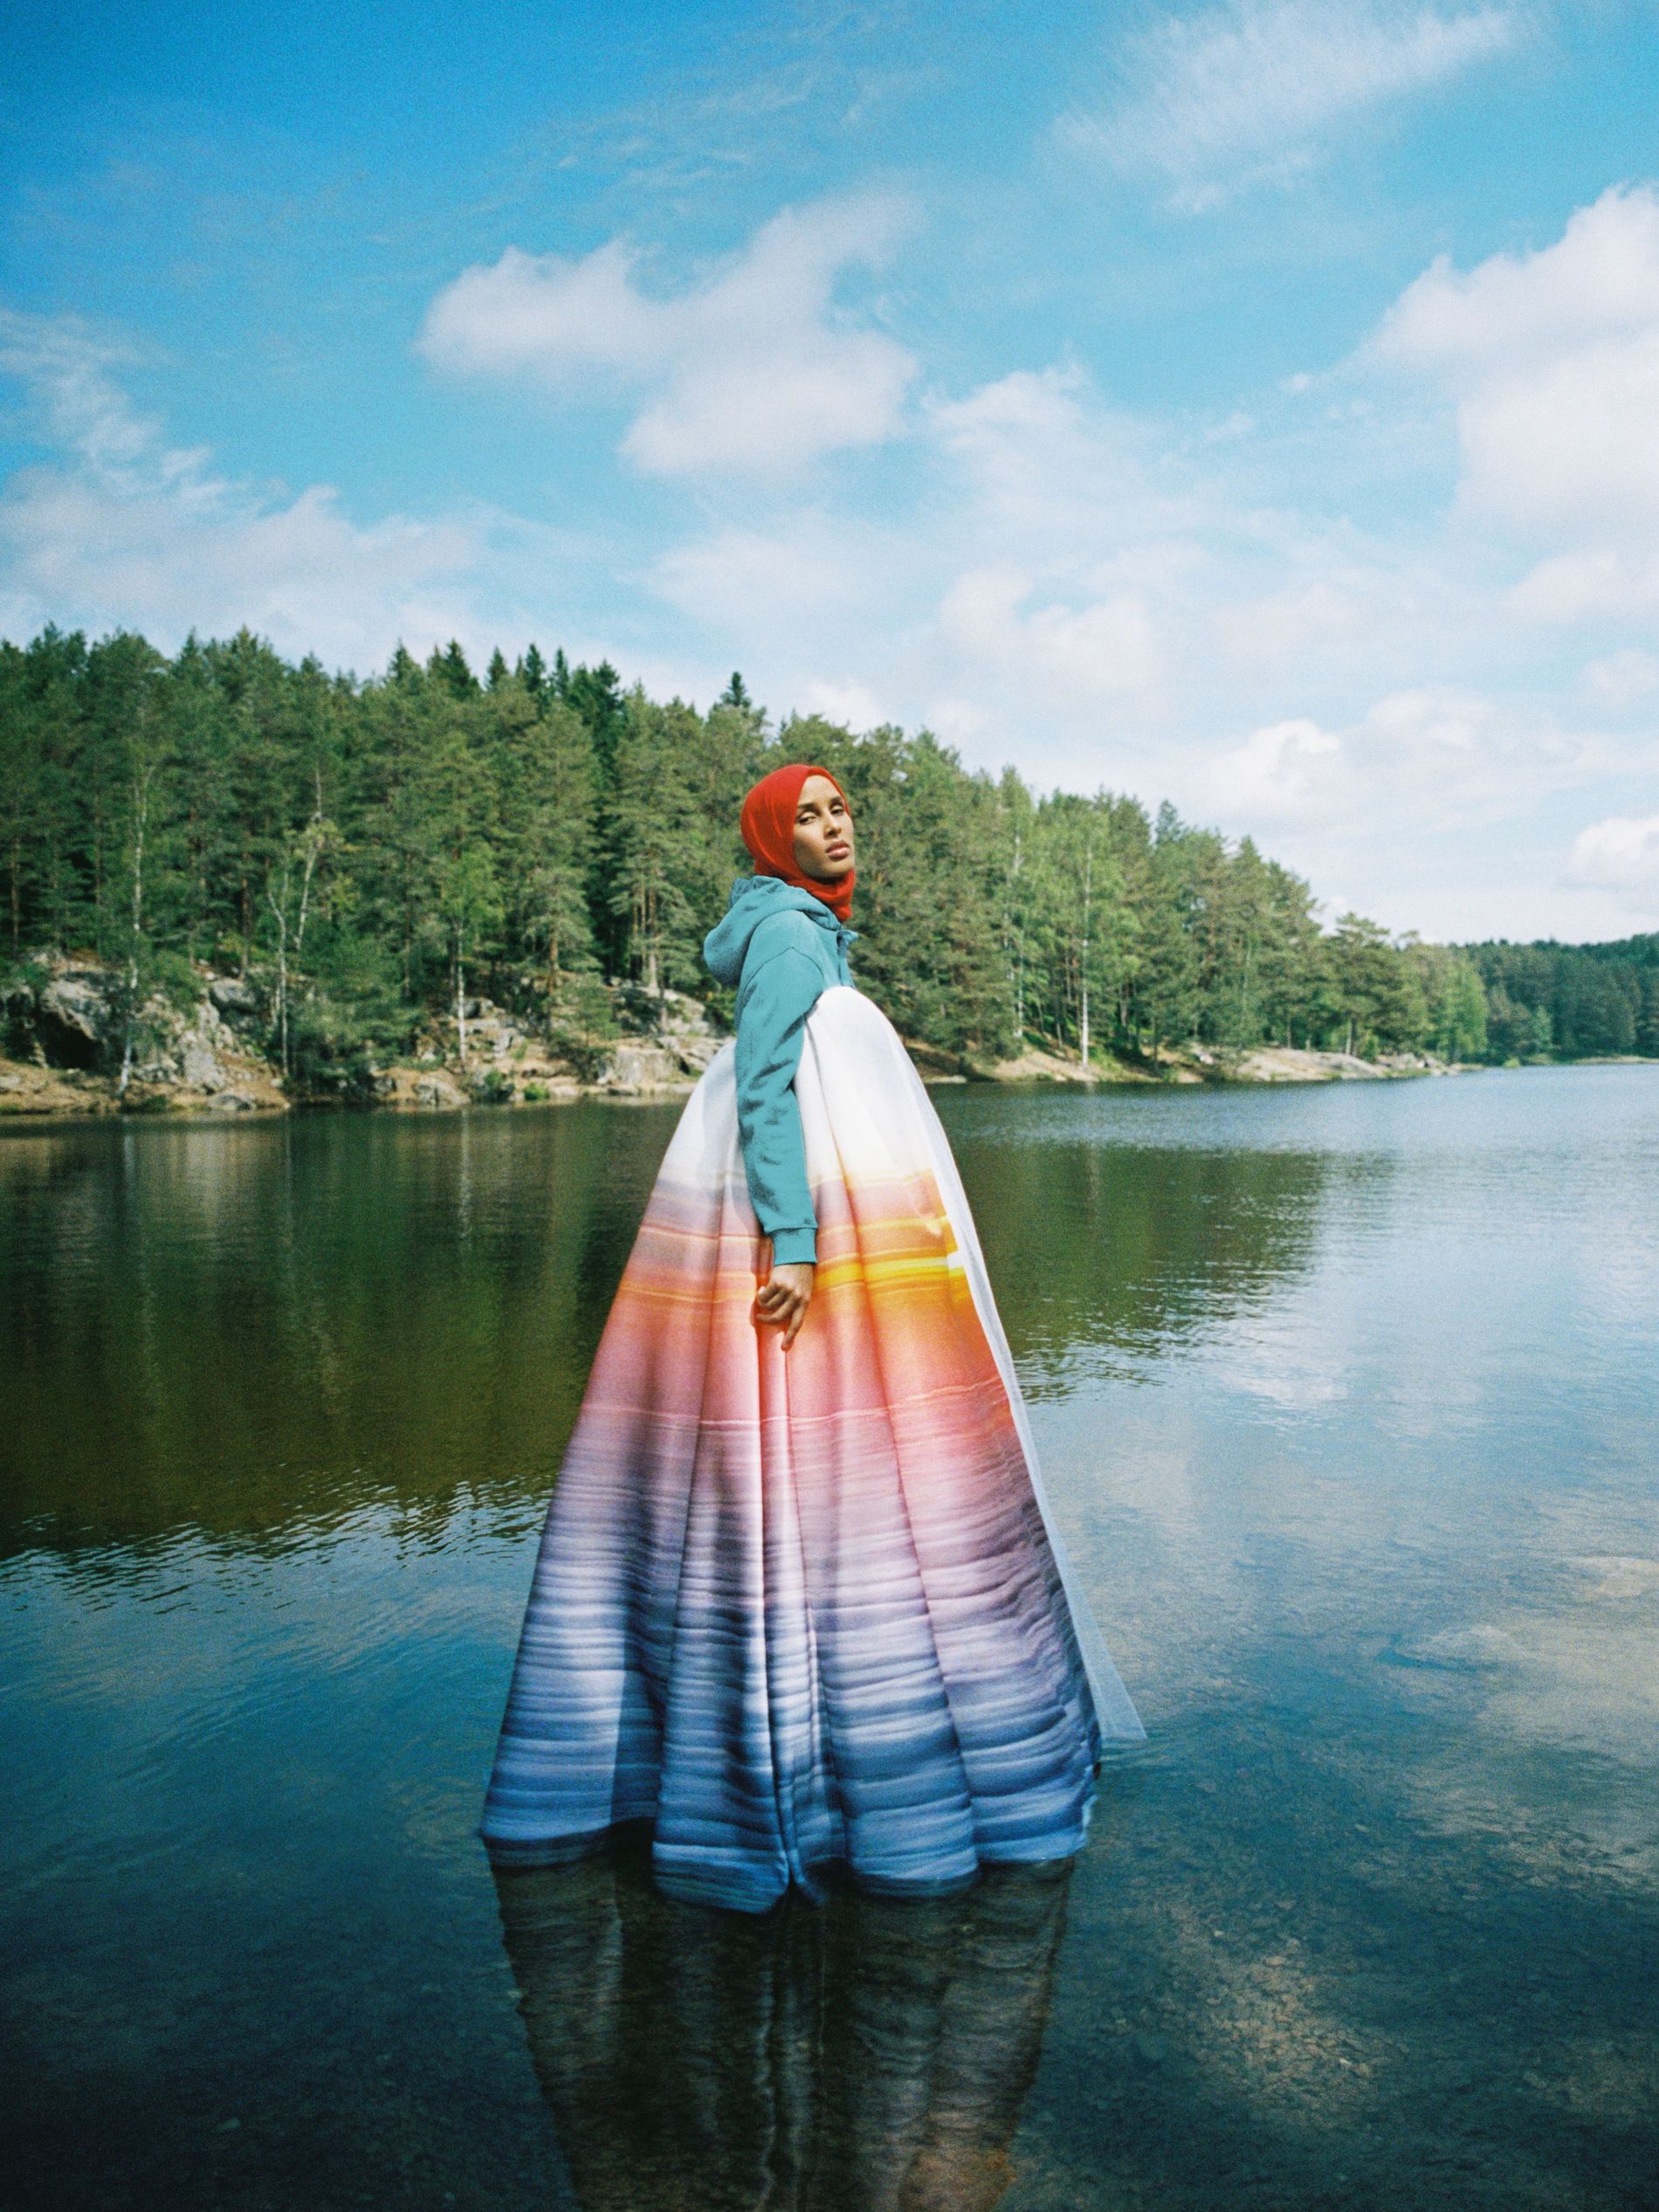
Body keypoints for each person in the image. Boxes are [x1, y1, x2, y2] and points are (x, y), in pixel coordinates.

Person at [481, 762, 1143, 1912]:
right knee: (851, 1474)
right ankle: (841, 1777)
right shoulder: (790, 937)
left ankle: (751, 1744)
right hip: (812, 1236)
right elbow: (769, 1090)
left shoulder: (797, 931)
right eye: (809, 817)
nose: (835, 828)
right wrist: (794, 1240)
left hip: (817, 1220)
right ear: (772, 840)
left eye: (840, 808)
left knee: (772, 1470)